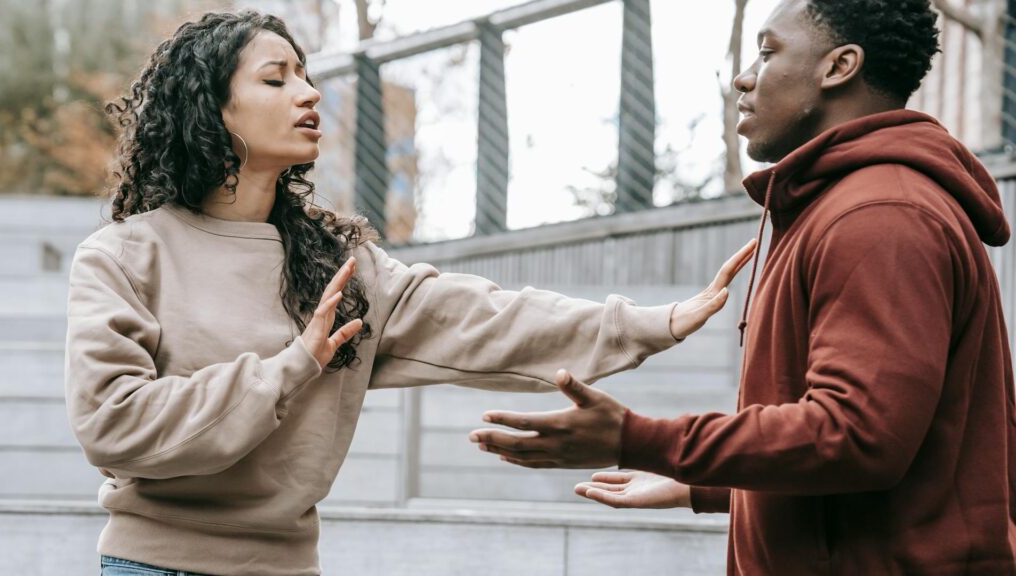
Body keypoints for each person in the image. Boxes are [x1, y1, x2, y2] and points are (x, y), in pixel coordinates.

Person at [63, 10, 756, 576]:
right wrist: (294, 365)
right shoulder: (126, 257)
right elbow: (114, 425)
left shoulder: (340, 267)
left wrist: (651, 322)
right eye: (276, 80)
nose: (309, 94)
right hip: (154, 567)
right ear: (209, 110)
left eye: (306, 76)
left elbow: (486, 320)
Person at [470, 0, 1016, 574]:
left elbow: (857, 436)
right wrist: (702, 486)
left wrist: (640, 438)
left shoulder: (880, 216)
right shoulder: (841, 205)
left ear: (839, 66)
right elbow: (875, 453)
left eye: (768, 51)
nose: (743, 76)